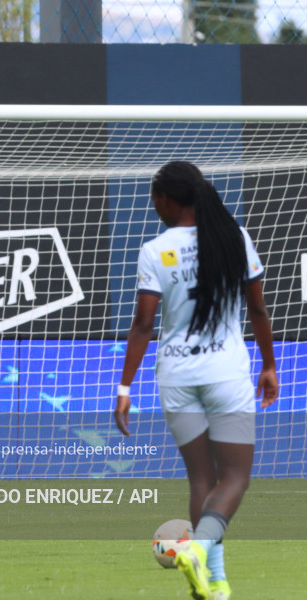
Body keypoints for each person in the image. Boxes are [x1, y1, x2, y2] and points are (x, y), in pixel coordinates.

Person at [114, 161, 278, 600]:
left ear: (168, 200)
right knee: (236, 478)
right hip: (225, 373)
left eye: (155, 197)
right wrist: (269, 365)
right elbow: (258, 310)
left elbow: (143, 324)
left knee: (202, 480)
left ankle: (216, 583)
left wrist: (125, 387)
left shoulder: (155, 249)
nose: (153, 205)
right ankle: (200, 550)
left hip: (176, 376)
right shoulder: (234, 238)